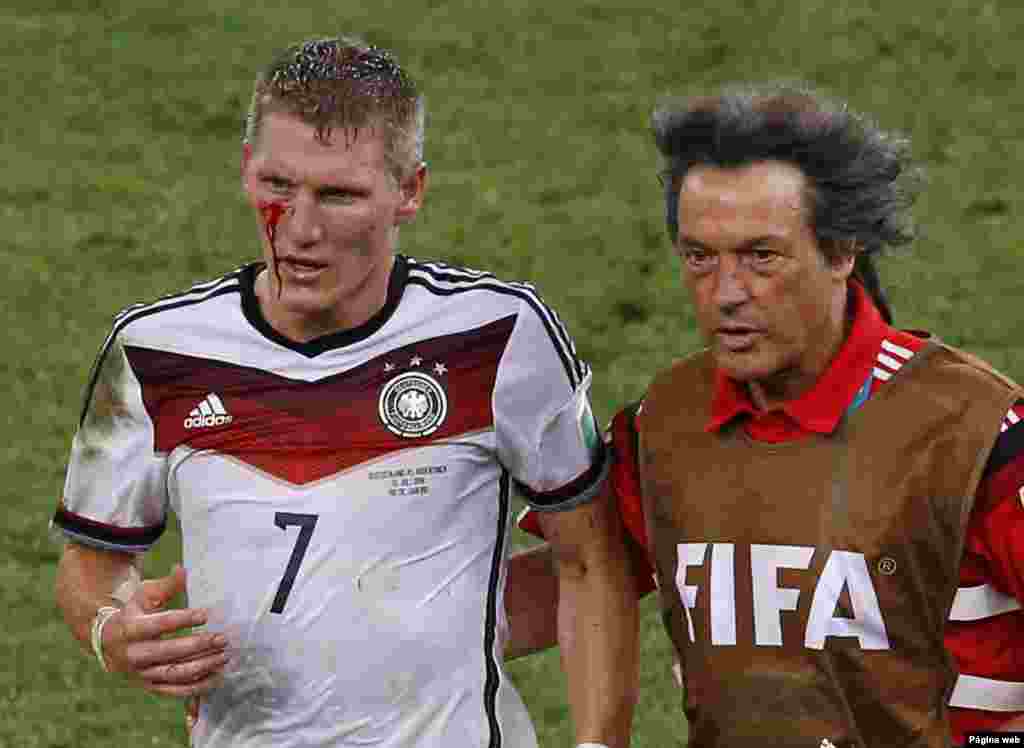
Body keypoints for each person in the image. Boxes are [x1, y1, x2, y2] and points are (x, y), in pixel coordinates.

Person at [51, 35, 638, 748]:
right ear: (245, 172)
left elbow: (590, 558)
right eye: (277, 187)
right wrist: (112, 628)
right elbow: (91, 563)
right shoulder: (153, 353)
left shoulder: (499, 337)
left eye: (338, 195)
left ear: (410, 191)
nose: (299, 230)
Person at [518, 86, 1024, 747]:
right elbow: (581, 570)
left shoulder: (976, 433)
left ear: (842, 252)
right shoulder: (665, 425)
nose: (726, 294)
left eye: (761, 256)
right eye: (700, 256)